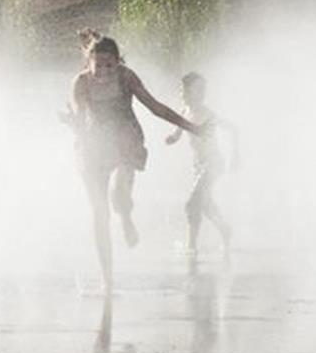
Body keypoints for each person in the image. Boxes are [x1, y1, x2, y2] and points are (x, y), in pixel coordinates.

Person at [61, 29, 200, 293]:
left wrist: (191, 126)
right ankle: (107, 278)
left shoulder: (126, 77)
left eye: (109, 65)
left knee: (118, 192)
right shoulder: (80, 83)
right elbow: (80, 118)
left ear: (119, 62)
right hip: (93, 145)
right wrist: (72, 123)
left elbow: (155, 106)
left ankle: (125, 216)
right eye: (98, 65)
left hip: (125, 140)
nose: (103, 71)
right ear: (88, 63)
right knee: (99, 213)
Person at [165, 72, 236, 255]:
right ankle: (225, 230)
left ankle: (191, 245)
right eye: (187, 89)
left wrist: (236, 154)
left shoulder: (207, 113)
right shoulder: (185, 111)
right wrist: (172, 138)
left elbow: (232, 128)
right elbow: (178, 132)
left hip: (213, 163)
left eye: (201, 90)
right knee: (205, 203)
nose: (198, 93)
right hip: (198, 165)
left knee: (192, 202)